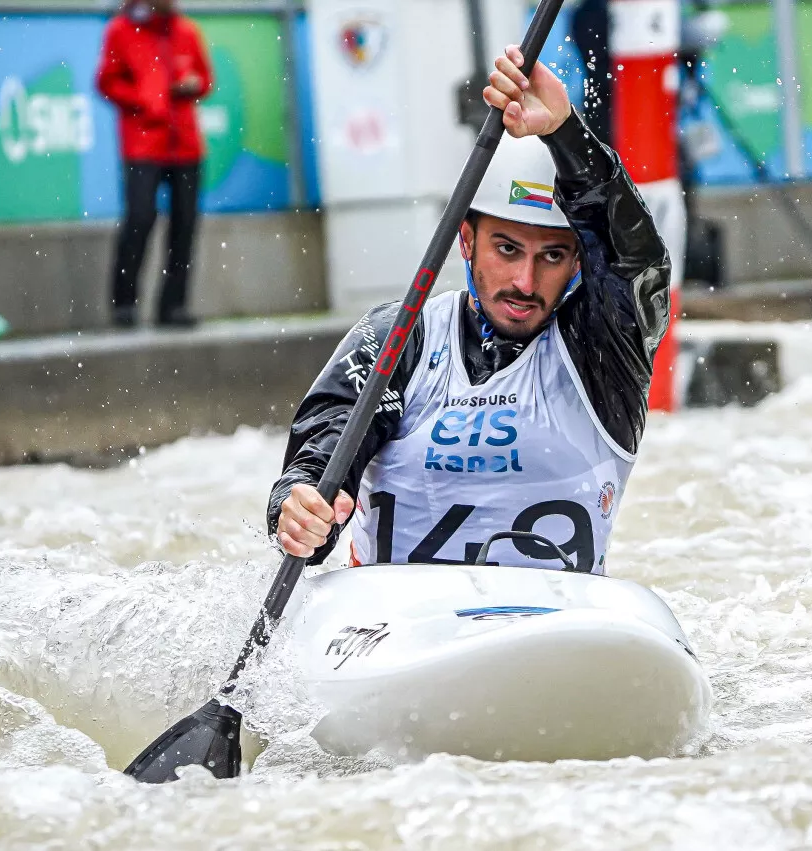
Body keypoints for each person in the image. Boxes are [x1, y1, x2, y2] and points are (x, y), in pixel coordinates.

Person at [269, 45, 671, 574]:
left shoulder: (604, 351)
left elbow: (636, 261)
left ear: (578, 258)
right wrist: (299, 506)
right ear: (465, 240)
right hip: (401, 631)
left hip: (553, 627)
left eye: (551, 255)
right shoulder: (400, 336)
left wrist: (565, 132)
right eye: (506, 249)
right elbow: (324, 447)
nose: (525, 282)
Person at [96, 0, 212, 329]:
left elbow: (205, 79)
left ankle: (173, 306)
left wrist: (192, 86)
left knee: (184, 226)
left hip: (186, 145)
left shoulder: (187, 31)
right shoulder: (121, 29)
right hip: (143, 144)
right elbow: (107, 80)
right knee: (139, 219)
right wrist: (145, 101)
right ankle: (124, 304)